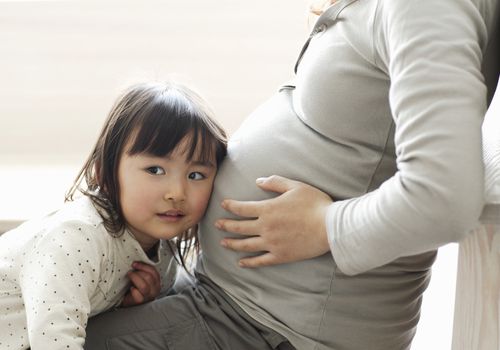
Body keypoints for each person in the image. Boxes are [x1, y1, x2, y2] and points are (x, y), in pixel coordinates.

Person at [85, 0, 499, 349]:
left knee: (35, 334)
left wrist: (326, 226)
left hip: (265, 329)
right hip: (231, 305)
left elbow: (446, 197)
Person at [0, 81, 227, 349]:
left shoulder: (163, 251)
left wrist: (134, 305)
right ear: (103, 174)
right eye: (155, 170)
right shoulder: (76, 238)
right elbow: (54, 340)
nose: (177, 192)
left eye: (196, 175)